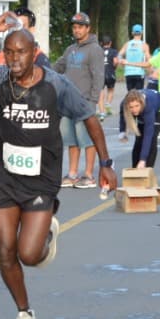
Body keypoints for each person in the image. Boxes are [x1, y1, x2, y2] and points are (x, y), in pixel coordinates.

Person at [0, 13, 117, 319]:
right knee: (5, 251)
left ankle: (46, 231)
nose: (14, 59)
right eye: (8, 52)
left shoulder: (55, 84)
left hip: (40, 179)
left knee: (29, 255)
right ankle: (25, 314)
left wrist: (105, 163)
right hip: (2, 176)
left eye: (21, 52)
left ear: (34, 52)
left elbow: (89, 117)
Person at [52, 13, 105, 189]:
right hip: (67, 102)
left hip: (85, 102)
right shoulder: (70, 49)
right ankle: (72, 173)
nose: (77, 30)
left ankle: (88, 175)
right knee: (71, 140)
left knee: (87, 139)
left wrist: (93, 101)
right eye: (74, 27)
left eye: (80, 27)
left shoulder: (95, 49)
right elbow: (57, 68)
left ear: (88, 28)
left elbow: (98, 77)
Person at [120, 88, 160, 169]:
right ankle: (135, 168)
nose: (134, 110)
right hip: (144, 108)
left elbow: (148, 135)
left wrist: (143, 159)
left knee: (152, 138)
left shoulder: (148, 107)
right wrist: (122, 132)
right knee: (139, 138)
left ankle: (148, 169)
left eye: (136, 106)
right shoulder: (123, 103)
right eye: (131, 107)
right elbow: (123, 116)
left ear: (141, 103)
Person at [121, 24, 150, 93]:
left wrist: (123, 63)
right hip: (139, 73)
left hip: (128, 72)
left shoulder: (127, 44)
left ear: (132, 33)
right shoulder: (144, 45)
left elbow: (119, 55)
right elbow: (149, 60)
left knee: (130, 94)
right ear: (142, 32)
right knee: (138, 95)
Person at [99, 34, 118, 118]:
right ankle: (108, 104)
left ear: (101, 43)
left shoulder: (98, 51)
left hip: (100, 74)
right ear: (110, 43)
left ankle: (102, 112)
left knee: (101, 93)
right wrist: (114, 67)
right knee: (110, 90)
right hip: (110, 73)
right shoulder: (114, 51)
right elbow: (115, 61)